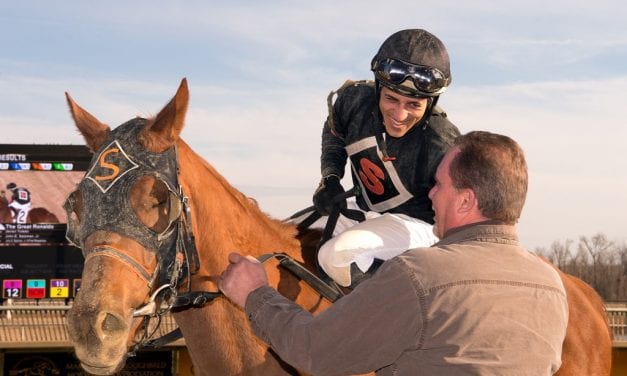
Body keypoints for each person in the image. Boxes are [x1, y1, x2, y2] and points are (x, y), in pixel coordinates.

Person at [219, 131, 569, 375]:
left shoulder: (421, 274)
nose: (430, 195)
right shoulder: (551, 285)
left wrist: (255, 294)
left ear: (466, 200)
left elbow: (315, 350)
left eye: (440, 184)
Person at [310, 29, 461, 288]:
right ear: (378, 88)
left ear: (431, 102)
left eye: (413, 105)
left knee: (335, 257)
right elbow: (335, 131)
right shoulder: (353, 100)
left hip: (421, 229)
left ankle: (395, 317)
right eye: (391, 99)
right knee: (292, 232)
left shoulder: (442, 143)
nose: (400, 115)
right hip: (367, 212)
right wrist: (331, 178)